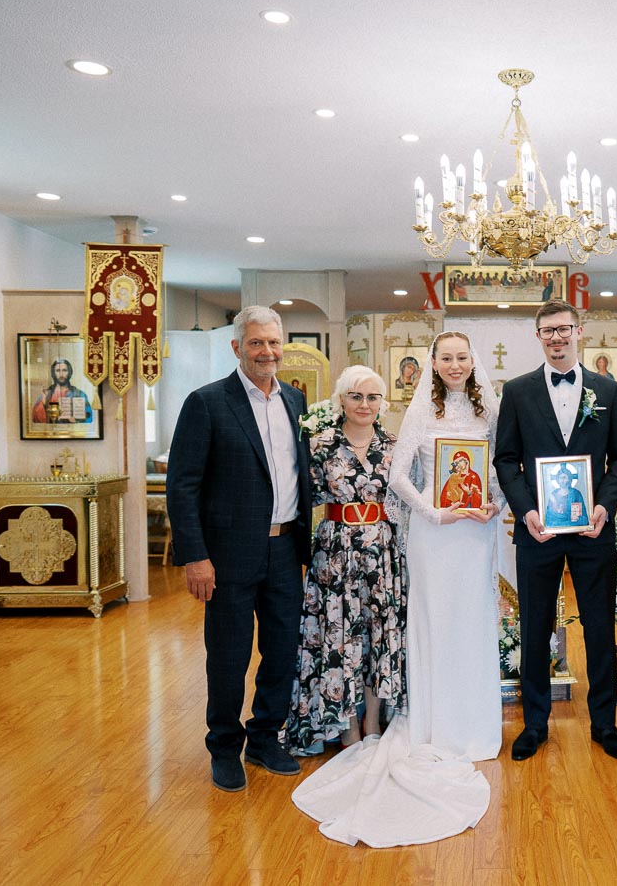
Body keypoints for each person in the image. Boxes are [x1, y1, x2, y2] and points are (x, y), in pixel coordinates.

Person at [291, 334, 507, 847]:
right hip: (434, 532)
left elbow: (501, 465)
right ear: (433, 363)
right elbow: (396, 475)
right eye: (446, 357)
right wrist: (433, 510)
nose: (455, 364)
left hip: (474, 530)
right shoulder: (418, 413)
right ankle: (429, 724)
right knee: (430, 622)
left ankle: (473, 726)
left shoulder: (488, 413)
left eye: (462, 357)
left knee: (471, 624)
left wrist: (494, 502)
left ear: (472, 362)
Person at [166, 305, 312, 793]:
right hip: (226, 557)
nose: (267, 352)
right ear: (237, 347)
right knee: (227, 656)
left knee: (281, 652)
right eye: (256, 343)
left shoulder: (296, 401)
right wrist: (195, 556)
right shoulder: (207, 403)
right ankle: (224, 747)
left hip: (286, 550)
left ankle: (264, 738)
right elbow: (182, 485)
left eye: (274, 343)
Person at [494, 299, 617, 762]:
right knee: (535, 626)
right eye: (547, 330)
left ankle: (604, 723)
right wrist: (526, 510)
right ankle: (534, 725)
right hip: (538, 531)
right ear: (538, 337)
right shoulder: (516, 392)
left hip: (593, 530)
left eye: (564, 329)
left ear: (580, 331)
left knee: (598, 626)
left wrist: (603, 506)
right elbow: (505, 460)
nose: (556, 337)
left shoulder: (608, 391)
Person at [284, 366, 405, 757]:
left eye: (372, 397)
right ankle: (346, 724)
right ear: (341, 401)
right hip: (335, 555)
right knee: (340, 637)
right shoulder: (319, 445)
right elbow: (305, 498)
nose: (364, 404)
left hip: (382, 554)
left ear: (381, 403)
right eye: (356, 396)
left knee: (375, 636)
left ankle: (373, 719)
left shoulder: (394, 445)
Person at [30, 359, 93, 424]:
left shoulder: (79, 394)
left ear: (69, 373)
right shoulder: (47, 394)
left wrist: (77, 420)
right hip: (51, 432)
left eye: (64, 370)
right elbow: (36, 419)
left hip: (71, 432)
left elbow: (89, 417)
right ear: (53, 373)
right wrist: (43, 403)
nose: (61, 374)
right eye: (58, 371)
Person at [542, 464, 588, 529]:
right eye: (560, 478)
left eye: (564, 477)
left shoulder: (575, 494)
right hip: (556, 524)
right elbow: (549, 517)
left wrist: (570, 517)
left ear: (569, 479)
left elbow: (583, 519)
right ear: (557, 479)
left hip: (572, 525)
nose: (562, 480)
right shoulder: (554, 493)